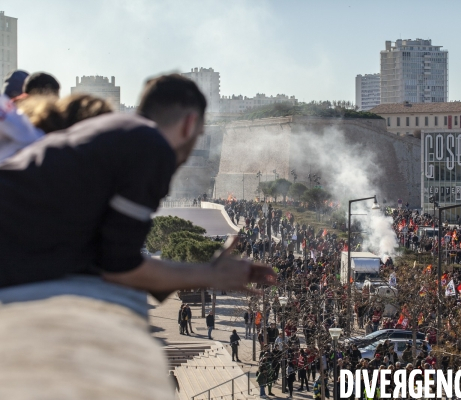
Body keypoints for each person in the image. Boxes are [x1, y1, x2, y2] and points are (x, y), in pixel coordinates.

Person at [0, 74, 276, 399]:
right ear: (189, 124)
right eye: (199, 134)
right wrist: (210, 274)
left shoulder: (114, 132)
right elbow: (121, 268)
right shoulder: (151, 147)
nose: (190, 151)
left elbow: (109, 255)